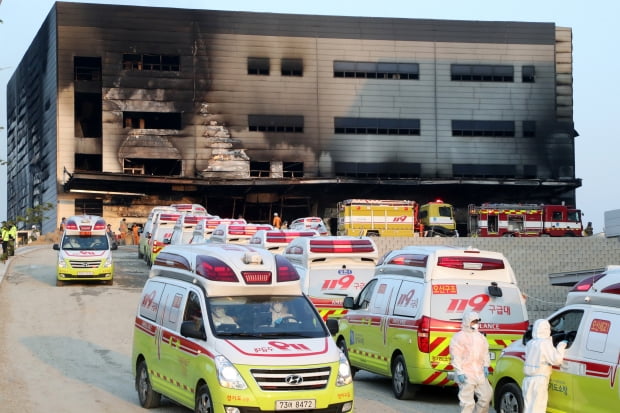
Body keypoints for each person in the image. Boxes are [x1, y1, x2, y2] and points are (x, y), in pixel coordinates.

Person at [449, 310, 492, 413]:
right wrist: (459, 372)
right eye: (473, 321)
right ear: (467, 322)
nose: (476, 324)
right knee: (467, 403)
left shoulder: (480, 337)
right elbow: (456, 356)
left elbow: (485, 352)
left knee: (486, 396)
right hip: (466, 373)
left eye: (477, 321)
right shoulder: (459, 337)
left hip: (479, 373)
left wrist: (486, 365)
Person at [522, 319, 567, 413]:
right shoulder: (545, 344)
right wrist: (561, 345)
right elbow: (557, 360)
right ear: (547, 329)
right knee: (538, 409)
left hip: (527, 380)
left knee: (528, 409)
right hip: (539, 381)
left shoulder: (530, 344)